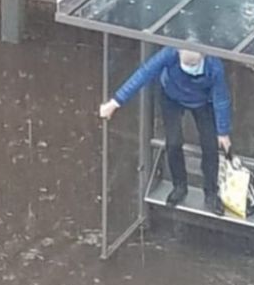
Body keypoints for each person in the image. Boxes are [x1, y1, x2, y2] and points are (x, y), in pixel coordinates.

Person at [99, 47, 232, 215]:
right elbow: (144, 74)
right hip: (172, 97)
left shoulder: (214, 66)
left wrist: (223, 132)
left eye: (194, 65)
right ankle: (179, 186)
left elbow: (221, 98)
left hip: (202, 101)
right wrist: (115, 102)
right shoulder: (170, 53)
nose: (190, 69)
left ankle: (211, 193)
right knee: (173, 142)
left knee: (210, 146)